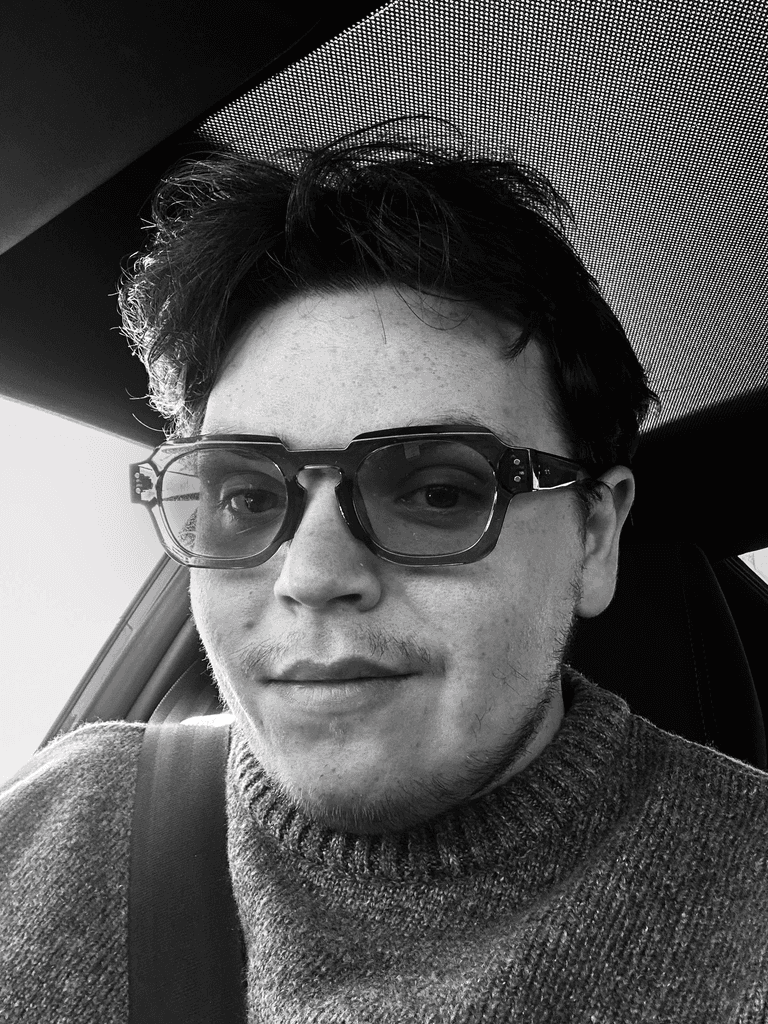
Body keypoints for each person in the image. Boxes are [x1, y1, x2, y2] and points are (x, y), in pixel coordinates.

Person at [2, 115, 768, 1021]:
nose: (313, 574)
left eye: (438, 492)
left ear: (594, 538)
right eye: (248, 498)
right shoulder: (52, 826)